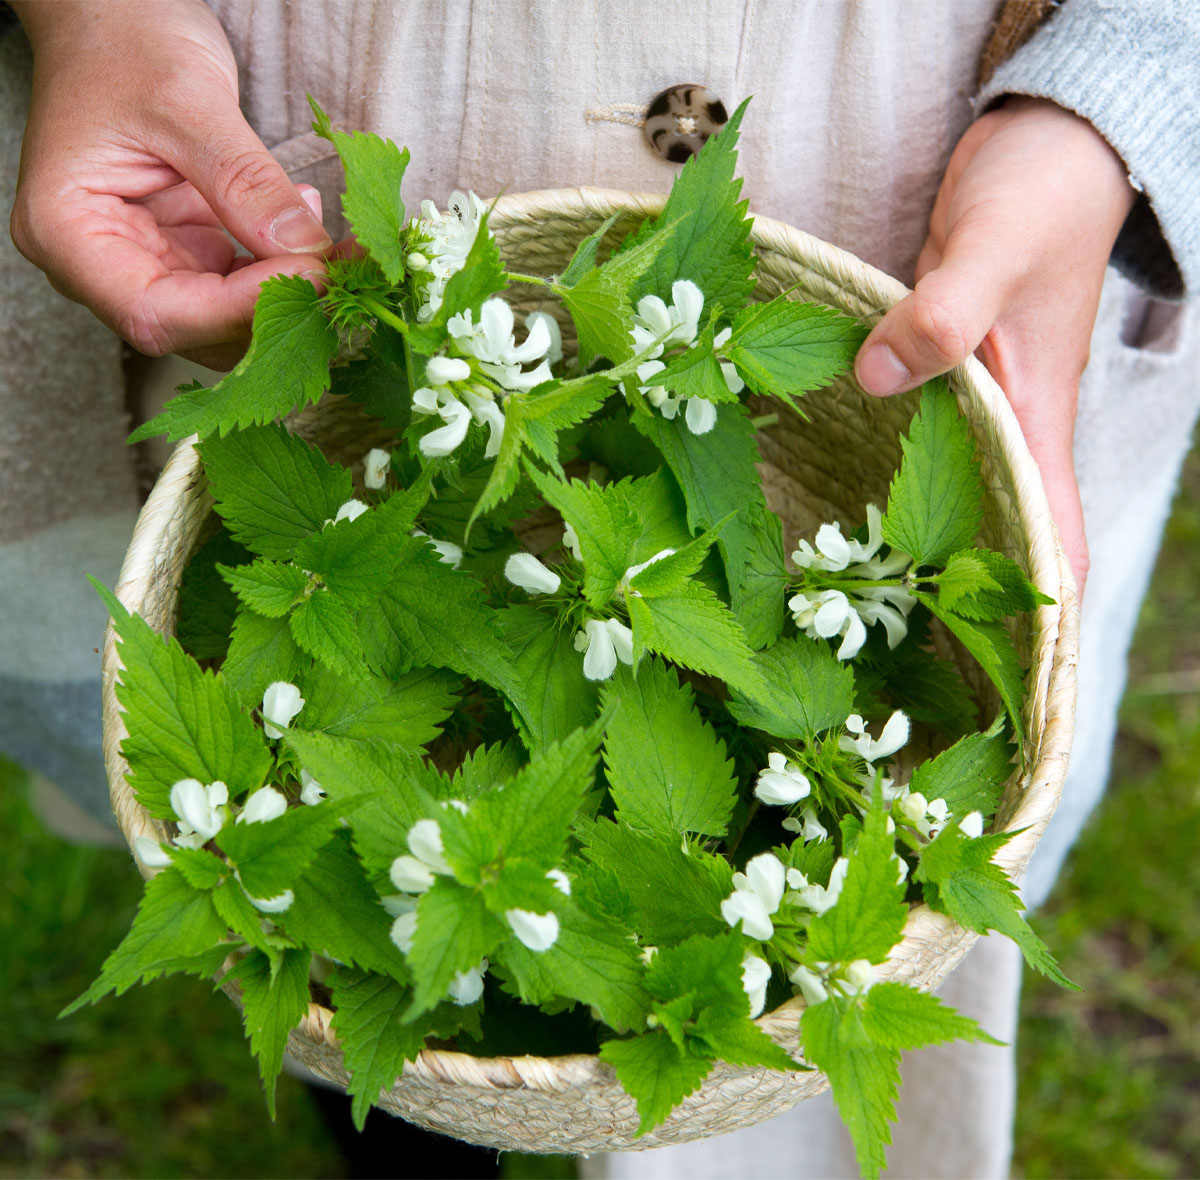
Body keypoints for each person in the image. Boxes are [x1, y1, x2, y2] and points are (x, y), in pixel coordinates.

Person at [6, 2, 1199, 1176]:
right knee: (365, 1011)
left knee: (905, 800)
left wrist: (1099, 108)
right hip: (258, 136)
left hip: (962, 201)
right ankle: (398, 1099)